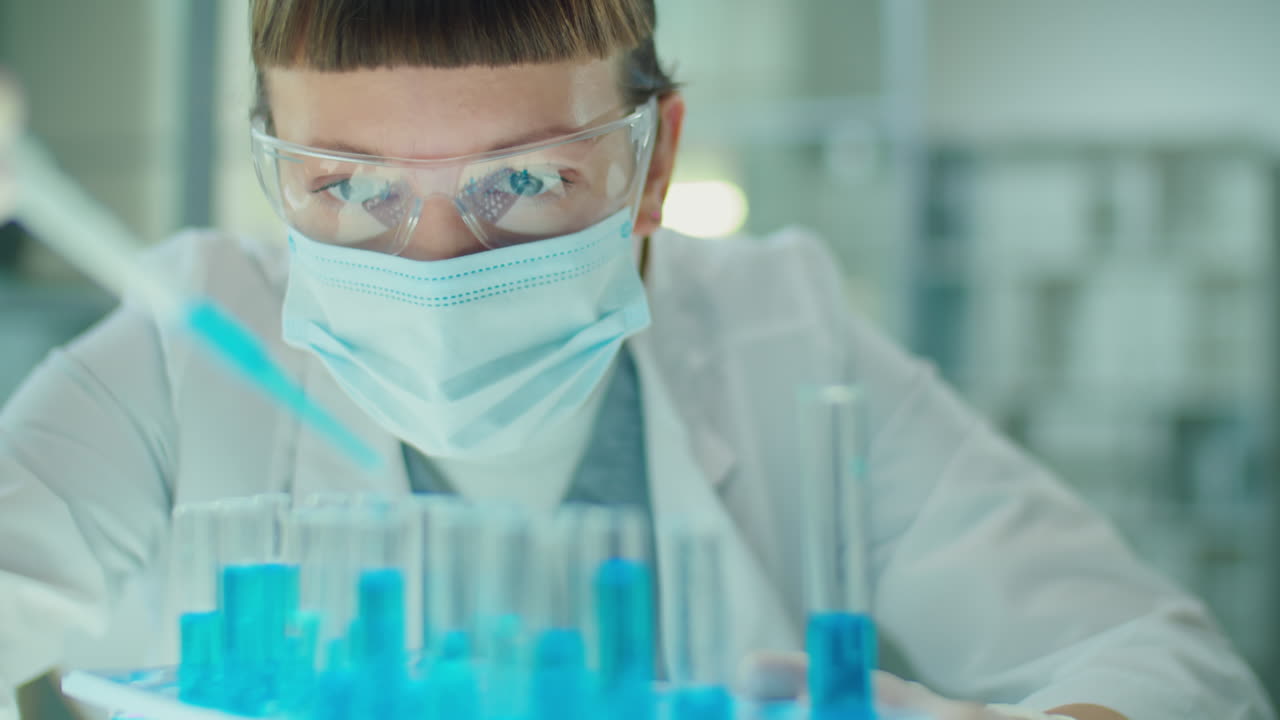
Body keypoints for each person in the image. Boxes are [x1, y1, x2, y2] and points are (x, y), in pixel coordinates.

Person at [0, 3, 1272, 719]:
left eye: (525, 179)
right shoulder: (178, 356)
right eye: (347, 186)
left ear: (651, 162)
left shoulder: (777, 333)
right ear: (273, 162)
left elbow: (1176, 676)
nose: (436, 260)